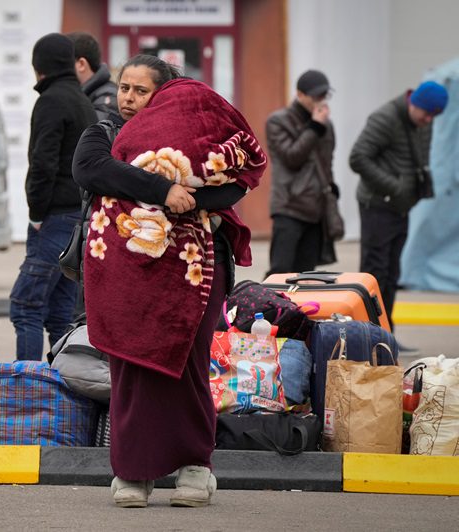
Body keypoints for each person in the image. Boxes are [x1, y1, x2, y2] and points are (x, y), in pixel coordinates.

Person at [72, 55, 266, 508]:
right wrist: (163, 190)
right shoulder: (103, 132)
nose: (128, 98)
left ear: (164, 94)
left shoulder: (203, 142)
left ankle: (196, 466)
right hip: (125, 272)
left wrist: (187, 194)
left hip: (197, 270)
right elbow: (92, 170)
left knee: (188, 363)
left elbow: (233, 186)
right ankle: (133, 473)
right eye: (124, 88)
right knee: (131, 365)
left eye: (140, 91)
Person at [9, 33, 97, 361]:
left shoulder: (50, 101)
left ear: (39, 68)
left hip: (55, 219)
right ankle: (64, 390)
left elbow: (43, 162)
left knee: (25, 305)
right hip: (80, 216)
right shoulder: (81, 100)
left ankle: (28, 387)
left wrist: (35, 213)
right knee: (60, 314)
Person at [349, 80, 448, 327]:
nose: (429, 120)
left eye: (434, 116)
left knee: (392, 273)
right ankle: (369, 331)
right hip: (377, 205)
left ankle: (386, 329)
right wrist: (396, 187)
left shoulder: (423, 120)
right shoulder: (385, 119)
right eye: (427, 114)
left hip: (400, 206)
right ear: (415, 103)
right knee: (375, 273)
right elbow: (358, 158)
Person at [266, 70, 338, 273]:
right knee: (280, 271)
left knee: (306, 274)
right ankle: (270, 305)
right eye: (316, 96)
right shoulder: (278, 121)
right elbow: (291, 157)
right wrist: (314, 127)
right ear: (300, 94)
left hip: (316, 208)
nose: (321, 100)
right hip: (289, 206)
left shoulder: (327, 125)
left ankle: (298, 307)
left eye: (324, 95)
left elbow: (327, 162)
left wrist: (331, 190)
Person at [68, 32, 118, 121]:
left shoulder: (108, 97)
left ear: (81, 64)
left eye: (63, 63)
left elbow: (95, 132)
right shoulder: (82, 94)